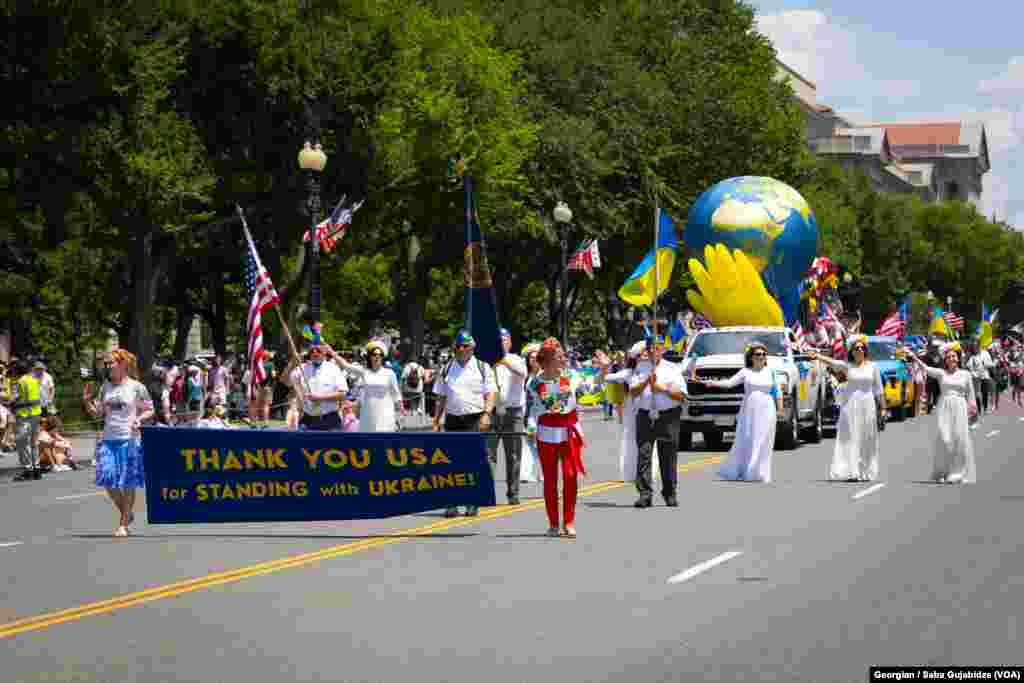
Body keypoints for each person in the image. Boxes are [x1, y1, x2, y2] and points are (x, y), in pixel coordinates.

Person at [82, 348, 154, 537]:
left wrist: (139, 419)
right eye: (107, 363)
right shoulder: (105, 386)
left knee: (128, 482)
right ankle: (127, 512)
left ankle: (123, 524)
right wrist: (87, 402)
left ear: (122, 364)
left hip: (129, 439)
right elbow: (97, 413)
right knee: (107, 479)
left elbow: (149, 409)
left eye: (111, 362)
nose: (108, 366)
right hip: (109, 439)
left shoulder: (136, 387)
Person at [694, 342, 781, 483]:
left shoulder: (770, 372)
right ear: (751, 357)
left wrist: (780, 409)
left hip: (767, 408)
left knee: (764, 440)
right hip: (750, 409)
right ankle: (746, 470)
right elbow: (729, 383)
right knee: (748, 438)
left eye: (764, 354)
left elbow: (777, 392)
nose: (761, 357)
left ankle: (759, 472)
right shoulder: (745, 372)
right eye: (758, 354)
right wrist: (711, 383)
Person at [432, 330, 497, 518]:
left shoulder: (482, 367)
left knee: (473, 462)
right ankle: (451, 503)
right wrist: (436, 421)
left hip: (474, 418)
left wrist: (486, 413)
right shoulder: (446, 368)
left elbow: (491, 393)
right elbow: (440, 397)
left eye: (465, 346)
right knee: (450, 463)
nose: (461, 350)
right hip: (452, 419)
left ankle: (472, 501)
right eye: (458, 346)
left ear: (472, 347)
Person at [525, 338, 586, 537]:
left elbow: (591, 390)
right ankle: (553, 523)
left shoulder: (573, 376)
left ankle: (568, 522)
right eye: (558, 356)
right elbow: (532, 410)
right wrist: (532, 426)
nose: (563, 358)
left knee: (570, 477)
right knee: (550, 481)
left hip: (568, 432)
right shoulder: (534, 383)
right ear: (548, 359)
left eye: (562, 355)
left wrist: (603, 373)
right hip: (546, 434)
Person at [808, 334, 885, 482]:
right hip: (851, 406)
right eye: (856, 348)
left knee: (866, 438)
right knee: (851, 437)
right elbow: (832, 362)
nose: (860, 350)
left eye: (862, 348)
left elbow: (879, 390)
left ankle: (865, 471)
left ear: (866, 351)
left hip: (868, 405)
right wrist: (817, 356)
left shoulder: (873, 367)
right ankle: (852, 470)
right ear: (852, 351)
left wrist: (883, 408)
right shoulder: (847, 366)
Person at [904, 341, 977, 484]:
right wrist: (913, 356)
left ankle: (957, 473)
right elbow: (925, 368)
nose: (952, 359)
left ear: (958, 358)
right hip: (944, 407)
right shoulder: (941, 373)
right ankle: (942, 471)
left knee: (959, 440)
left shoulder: (965, 374)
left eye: (954, 356)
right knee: (944, 439)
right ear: (945, 360)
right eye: (949, 357)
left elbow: (971, 394)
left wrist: (973, 412)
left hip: (960, 407)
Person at [628, 341, 686, 507]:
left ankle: (669, 493)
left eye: (657, 347)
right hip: (645, 414)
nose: (654, 350)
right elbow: (633, 391)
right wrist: (646, 381)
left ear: (663, 350)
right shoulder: (640, 367)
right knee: (644, 453)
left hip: (668, 415)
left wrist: (661, 389)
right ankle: (645, 494)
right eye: (650, 348)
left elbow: (681, 395)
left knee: (667, 455)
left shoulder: (672, 368)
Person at [604, 341, 659, 484]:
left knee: (649, 441)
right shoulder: (630, 372)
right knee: (633, 440)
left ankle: (648, 472)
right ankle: (632, 472)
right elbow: (609, 378)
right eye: (642, 354)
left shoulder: (657, 368)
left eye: (648, 352)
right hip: (633, 411)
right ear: (635, 357)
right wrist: (605, 367)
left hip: (652, 410)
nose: (645, 355)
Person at [329, 340, 402, 432]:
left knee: (384, 438)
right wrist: (331, 352)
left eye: (380, 355)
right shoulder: (364, 371)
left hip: (385, 411)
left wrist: (401, 410)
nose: (377, 357)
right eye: (374, 354)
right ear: (369, 357)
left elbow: (396, 394)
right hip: (368, 411)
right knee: (368, 439)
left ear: (383, 357)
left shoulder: (390, 373)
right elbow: (345, 365)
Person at [493, 328, 528, 505]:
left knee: (513, 454)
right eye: (498, 340)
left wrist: (503, 361)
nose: (501, 342)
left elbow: (523, 373)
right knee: (488, 455)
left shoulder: (516, 360)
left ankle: (513, 493)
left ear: (510, 342)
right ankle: (486, 493)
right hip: (492, 412)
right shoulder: (487, 362)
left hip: (513, 412)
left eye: (505, 339)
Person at [290, 343, 348, 431]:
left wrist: (319, 397)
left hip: (330, 420)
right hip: (308, 420)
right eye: (312, 351)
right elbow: (285, 381)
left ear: (324, 353)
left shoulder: (333, 369)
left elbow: (342, 394)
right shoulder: (302, 368)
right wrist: (292, 362)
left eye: (318, 351)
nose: (315, 353)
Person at [12, 358, 43, 481]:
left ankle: (27, 470)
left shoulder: (19, 382)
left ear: (17, 370)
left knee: (23, 443)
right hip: (36, 415)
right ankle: (37, 469)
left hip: (24, 416)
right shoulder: (34, 380)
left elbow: (13, 398)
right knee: (34, 443)